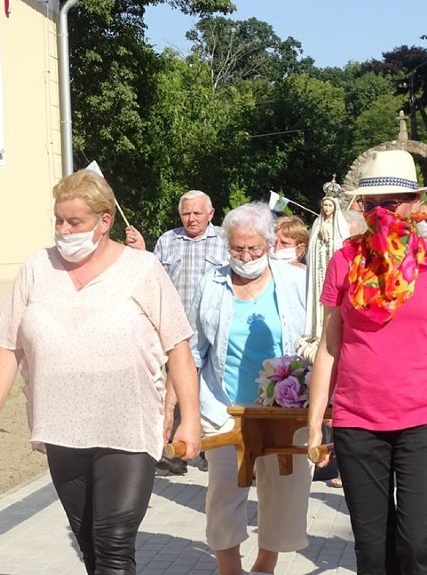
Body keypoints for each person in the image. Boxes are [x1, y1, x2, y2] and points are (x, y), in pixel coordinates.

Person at [0, 170, 201, 575]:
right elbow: (9, 343)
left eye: (74, 222)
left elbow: (178, 348)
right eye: (58, 221)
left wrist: (191, 421)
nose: (64, 230)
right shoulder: (36, 267)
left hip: (127, 427)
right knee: (89, 545)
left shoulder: (143, 268)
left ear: (104, 221)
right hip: (61, 426)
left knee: (113, 543)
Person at [307, 149, 427, 575]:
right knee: (372, 553)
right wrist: (317, 418)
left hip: (424, 420)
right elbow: (329, 346)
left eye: (390, 204)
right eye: (371, 204)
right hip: (357, 421)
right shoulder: (344, 261)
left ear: (412, 206)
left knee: (419, 546)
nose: (379, 213)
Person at [190, 201, 311, 575]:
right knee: (224, 489)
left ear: (270, 244)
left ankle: (265, 564)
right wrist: (181, 410)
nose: (244, 256)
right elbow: (194, 349)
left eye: (253, 249)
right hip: (224, 406)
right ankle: (229, 567)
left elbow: (314, 340)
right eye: (236, 248)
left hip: (283, 408)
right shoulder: (212, 283)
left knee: (284, 491)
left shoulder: (295, 281)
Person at [127, 189, 228, 474]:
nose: (191, 218)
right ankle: (171, 450)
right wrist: (142, 253)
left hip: (213, 328)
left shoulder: (225, 239)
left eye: (197, 213)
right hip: (173, 326)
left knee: (211, 386)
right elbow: (152, 278)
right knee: (170, 389)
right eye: (186, 213)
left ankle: (212, 446)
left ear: (211, 214)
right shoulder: (167, 240)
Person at [305, 194, 350, 342]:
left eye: (330, 205)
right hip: (319, 267)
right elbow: (311, 246)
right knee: (317, 294)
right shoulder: (318, 222)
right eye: (325, 205)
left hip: (331, 267)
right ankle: (316, 329)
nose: (327, 208)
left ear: (335, 207)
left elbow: (343, 246)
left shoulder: (340, 225)